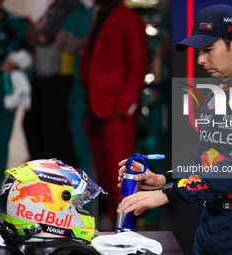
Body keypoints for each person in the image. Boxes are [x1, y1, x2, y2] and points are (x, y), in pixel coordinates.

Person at [117, 4, 232, 255]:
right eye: (199, 52)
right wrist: (162, 180)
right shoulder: (218, 95)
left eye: (207, 50)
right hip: (209, 226)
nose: (200, 59)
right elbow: (204, 163)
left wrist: (169, 194)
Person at [80, 0, 147, 229]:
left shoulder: (130, 19)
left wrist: (123, 108)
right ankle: (115, 232)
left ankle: (125, 234)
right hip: (95, 109)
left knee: (120, 180)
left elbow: (138, 66)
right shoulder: (101, 16)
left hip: (115, 114)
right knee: (106, 180)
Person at [23, 0, 84, 167]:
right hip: (41, 78)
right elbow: (30, 37)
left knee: (58, 132)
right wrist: (35, 30)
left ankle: (64, 176)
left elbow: (41, 37)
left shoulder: (72, 7)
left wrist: (35, 30)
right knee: (34, 126)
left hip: (59, 80)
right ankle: (41, 172)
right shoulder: (52, 8)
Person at [0, 0, 31, 186]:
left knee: (2, 142)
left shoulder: (16, 22)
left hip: (7, 89)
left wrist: (19, 63)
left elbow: (30, 51)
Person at [54, 4, 94, 176]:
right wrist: (94, 41)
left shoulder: (122, 17)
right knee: (81, 154)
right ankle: (86, 201)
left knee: (113, 158)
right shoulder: (80, 16)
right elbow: (61, 43)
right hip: (80, 95)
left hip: (110, 99)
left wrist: (81, 45)